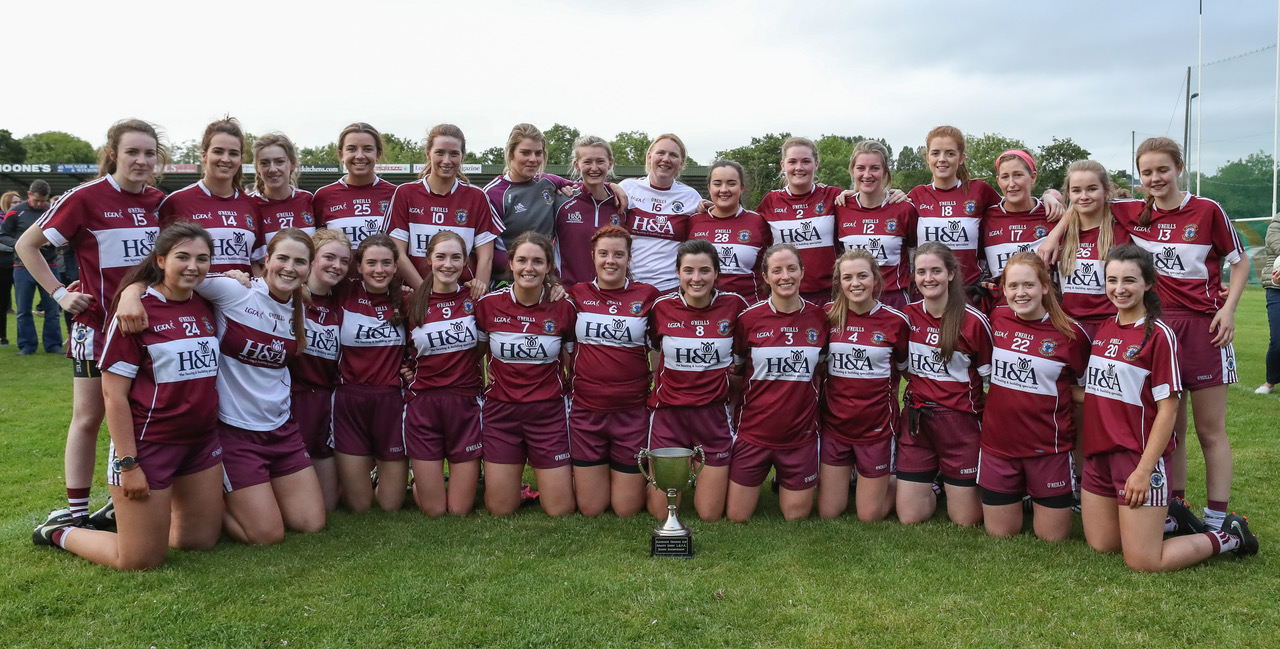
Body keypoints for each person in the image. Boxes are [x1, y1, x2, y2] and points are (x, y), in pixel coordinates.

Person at [1041, 137, 1247, 531]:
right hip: (1156, 324)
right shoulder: (1134, 211)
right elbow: (1082, 201)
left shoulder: (1207, 209)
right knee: (1172, 427)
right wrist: (1054, 232)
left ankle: (1218, 518)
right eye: (1147, 172)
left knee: (1210, 429)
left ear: (1179, 168)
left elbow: (1239, 262)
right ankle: (1175, 510)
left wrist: (1229, 308)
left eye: (1162, 169)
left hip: (1202, 326)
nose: (1155, 178)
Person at [32, 223, 224, 570]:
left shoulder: (206, 302)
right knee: (138, 560)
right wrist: (129, 464)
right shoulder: (135, 311)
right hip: (150, 445)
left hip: (200, 442)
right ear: (161, 260)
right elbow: (113, 395)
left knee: (199, 541)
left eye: (202, 259)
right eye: (182, 257)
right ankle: (60, 531)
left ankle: (140, 521)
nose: (193, 266)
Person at [116, 229, 326, 544]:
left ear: (308, 268)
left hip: (281, 427)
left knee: (311, 523)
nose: (289, 268)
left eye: (299, 262)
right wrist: (131, 293)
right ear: (266, 260)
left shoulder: (301, 306)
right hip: (234, 431)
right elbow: (177, 276)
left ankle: (233, 501)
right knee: (267, 535)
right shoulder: (234, 291)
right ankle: (210, 506)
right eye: (282, 258)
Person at [15, 119, 166, 526]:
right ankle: (76, 514)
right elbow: (27, 245)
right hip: (97, 326)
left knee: (142, 416)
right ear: (114, 154)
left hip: (147, 328)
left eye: (148, 153)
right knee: (88, 416)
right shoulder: (85, 197)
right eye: (132, 152)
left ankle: (122, 502)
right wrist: (59, 293)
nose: (141, 160)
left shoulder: (159, 202)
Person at [1080, 244, 1257, 571]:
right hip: (1099, 456)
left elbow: (1168, 412)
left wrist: (1144, 470)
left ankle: (1229, 536)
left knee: (1144, 560)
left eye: (1129, 280)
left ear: (1148, 284)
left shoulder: (1160, 335)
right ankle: (1172, 520)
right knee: (1103, 544)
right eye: (1112, 280)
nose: (1119, 289)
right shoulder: (1104, 328)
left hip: (1137, 457)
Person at [980, 253, 1089, 541]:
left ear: (1044, 286)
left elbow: (1086, 390)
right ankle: (1024, 494)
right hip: (998, 446)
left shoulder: (1071, 333)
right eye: (1013, 286)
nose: (1020, 293)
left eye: (1028, 285)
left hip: (1048, 449)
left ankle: (1039, 493)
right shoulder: (996, 318)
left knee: (1052, 537)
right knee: (1001, 533)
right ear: (1004, 290)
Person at [474, 232, 578, 516]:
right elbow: (474, 354)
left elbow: (574, 362)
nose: (528, 268)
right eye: (521, 260)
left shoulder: (563, 307)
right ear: (510, 263)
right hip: (501, 413)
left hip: (548, 414)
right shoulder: (488, 305)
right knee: (500, 508)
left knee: (559, 509)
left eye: (537, 261)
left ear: (549, 267)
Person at [647, 239, 750, 522]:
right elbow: (654, 348)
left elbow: (743, 355)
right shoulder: (661, 307)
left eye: (704, 270)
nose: (696, 278)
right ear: (678, 273)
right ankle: (655, 479)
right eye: (688, 270)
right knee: (660, 512)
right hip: (669, 414)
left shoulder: (735, 306)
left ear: (716, 273)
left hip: (712, 416)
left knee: (710, 513)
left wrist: (733, 383)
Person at [726, 244, 828, 522]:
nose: (785, 276)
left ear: (802, 272)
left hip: (800, 436)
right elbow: (737, 372)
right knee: (737, 516)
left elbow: (823, 371)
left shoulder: (820, 318)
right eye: (777, 270)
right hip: (753, 433)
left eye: (792, 269)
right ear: (766, 276)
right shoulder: (749, 319)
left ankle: (784, 478)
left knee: (796, 516)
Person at [909, 126, 1061, 304]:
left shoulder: (980, 191)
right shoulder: (916, 195)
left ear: (961, 158)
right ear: (927, 158)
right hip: (928, 291)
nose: (942, 159)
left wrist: (1048, 197)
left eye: (950, 153)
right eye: (936, 153)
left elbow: (1014, 204)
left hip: (969, 293)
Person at [897, 242, 993, 527]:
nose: (928, 278)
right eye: (921, 272)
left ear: (951, 274)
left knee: (966, 520)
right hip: (918, 421)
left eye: (936, 271)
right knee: (911, 517)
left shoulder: (974, 321)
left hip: (960, 423)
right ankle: (937, 484)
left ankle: (952, 481)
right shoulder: (907, 316)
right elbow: (905, 369)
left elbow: (992, 382)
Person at [567, 226, 659, 517]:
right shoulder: (576, 294)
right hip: (587, 412)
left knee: (626, 509)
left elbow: (660, 347)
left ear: (629, 258)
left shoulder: (648, 296)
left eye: (619, 254)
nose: (611, 261)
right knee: (592, 508)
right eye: (604, 254)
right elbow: (564, 347)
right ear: (593, 256)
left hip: (630, 413)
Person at [819, 248, 908, 521]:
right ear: (839, 282)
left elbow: (907, 372)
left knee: (869, 515)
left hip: (876, 428)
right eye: (847, 277)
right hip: (836, 426)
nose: (855, 283)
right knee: (828, 511)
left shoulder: (895, 321)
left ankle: (909, 484)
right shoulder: (826, 316)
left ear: (875, 279)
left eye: (862, 276)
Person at [403, 231, 484, 517]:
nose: (447, 264)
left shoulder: (476, 300)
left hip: (465, 403)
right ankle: (418, 481)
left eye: (455, 258)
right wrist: (403, 368)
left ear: (465, 262)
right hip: (423, 405)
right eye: (441, 257)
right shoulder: (410, 302)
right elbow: (392, 345)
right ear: (429, 259)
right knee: (434, 510)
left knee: (459, 510)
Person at [333, 234, 408, 513]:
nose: (379, 270)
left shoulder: (407, 300)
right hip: (349, 402)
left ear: (396, 266)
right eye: (371, 263)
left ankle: (382, 473)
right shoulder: (342, 293)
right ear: (359, 266)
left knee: (390, 506)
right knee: (359, 506)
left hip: (391, 402)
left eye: (386, 263)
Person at [388, 123, 500, 297]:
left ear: (462, 157)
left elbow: (486, 257)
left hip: (461, 298)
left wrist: (478, 294)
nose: (447, 161)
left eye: (454, 154)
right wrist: (426, 293)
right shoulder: (405, 193)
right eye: (440, 153)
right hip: (416, 295)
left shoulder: (477, 197)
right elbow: (398, 253)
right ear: (428, 154)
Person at [291, 228, 351, 511]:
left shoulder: (342, 302)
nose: (336, 266)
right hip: (292, 399)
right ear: (312, 258)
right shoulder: (288, 296)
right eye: (329, 257)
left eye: (344, 261)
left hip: (326, 400)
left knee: (327, 506)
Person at [157, 118, 260, 275]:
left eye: (233, 153)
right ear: (204, 156)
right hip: (192, 291)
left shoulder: (251, 205)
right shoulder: (176, 202)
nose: (225, 159)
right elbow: (161, 262)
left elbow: (255, 263)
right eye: (218, 151)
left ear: (240, 159)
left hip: (242, 291)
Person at [756, 137, 846, 304]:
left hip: (829, 296)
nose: (799, 167)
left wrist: (891, 194)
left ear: (816, 164)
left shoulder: (833, 196)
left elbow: (867, 203)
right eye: (792, 162)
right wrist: (712, 208)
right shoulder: (770, 201)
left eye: (806, 161)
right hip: (786, 295)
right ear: (783, 165)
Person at [482, 124, 576, 282]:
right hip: (507, 282)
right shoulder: (493, 194)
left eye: (538, 153)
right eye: (525, 153)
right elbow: (487, 252)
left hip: (545, 279)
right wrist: (527, 266)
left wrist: (613, 187)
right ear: (511, 153)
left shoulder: (548, 182)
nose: (533, 159)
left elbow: (586, 187)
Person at [835, 140, 918, 310]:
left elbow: (916, 250)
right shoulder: (840, 207)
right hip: (853, 298)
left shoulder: (904, 208)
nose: (867, 174)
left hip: (893, 298)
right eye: (861, 168)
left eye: (874, 168)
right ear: (852, 170)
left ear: (885, 171)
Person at [1052, 160, 1128, 340]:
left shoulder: (1124, 230)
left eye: (1092, 189)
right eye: (1076, 190)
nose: (1084, 196)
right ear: (1069, 193)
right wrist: (1048, 195)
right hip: (1069, 328)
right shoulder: (1058, 235)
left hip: (1112, 327)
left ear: (1106, 190)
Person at [621, 134, 703, 292]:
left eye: (673, 155)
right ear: (649, 157)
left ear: (681, 163)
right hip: (629, 286)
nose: (666, 159)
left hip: (671, 287)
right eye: (661, 153)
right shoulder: (627, 188)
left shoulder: (690, 196)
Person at [687, 160, 771, 302]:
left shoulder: (758, 222)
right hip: (705, 307)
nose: (724, 189)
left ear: (742, 188)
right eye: (717, 184)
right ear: (709, 188)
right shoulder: (693, 222)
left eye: (731, 183)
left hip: (749, 306)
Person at [313, 123, 398, 261]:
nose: (360, 156)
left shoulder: (396, 194)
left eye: (367, 149)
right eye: (352, 149)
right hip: (337, 275)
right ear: (341, 154)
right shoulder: (323, 196)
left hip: (382, 275)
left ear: (378, 154)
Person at [554, 136, 625, 288]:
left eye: (600, 161)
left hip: (610, 294)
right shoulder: (561, 202)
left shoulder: (622, 204)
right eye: (587, 162)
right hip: (568, 293)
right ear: (577, 165)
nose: (594, 168)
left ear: (610, 164)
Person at [3, 179, 59, 354]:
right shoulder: (15, 212)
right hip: (22, 266)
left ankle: (53, 345)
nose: (40, 204)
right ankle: (27, 346)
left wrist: (53, 241)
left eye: (43, 201)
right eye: (36, 200)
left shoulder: (53, 211)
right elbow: (3, 235)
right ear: (29, 195)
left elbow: (64, 232)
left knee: (52, 309)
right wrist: (23, 244)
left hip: (50, 264)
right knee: (23, 309)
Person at [981, 151, 1050, 289]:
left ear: (1033, 177)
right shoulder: (986, 218)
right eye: (1005, 177)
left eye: (1018, 175)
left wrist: (1050, 197)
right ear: (998, 181)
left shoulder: (1051, 214)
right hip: (1000, 302)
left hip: (1044, 302)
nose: (1011, 184)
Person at [251, 133, 316, 255]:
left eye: (279, 162)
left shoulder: (309, 200)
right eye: (264, 163)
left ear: (292, 164)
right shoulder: (249, 205)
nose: (272, 169)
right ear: (258, 168)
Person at [1257, 209, 1280, 394]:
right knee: (1278, 339)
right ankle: (1270, 382)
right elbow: (1276, 244)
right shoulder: (1277, 223)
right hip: (1276, 288)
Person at [0, 189, 18, 343]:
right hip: (4, 265)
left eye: (19, 202)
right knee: (3, 301)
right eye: (14, 202)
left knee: (22, 303)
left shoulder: (22, 220)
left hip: (21, 263)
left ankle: (25, 339)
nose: (18, 205)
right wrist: (20, 246)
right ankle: (2, 336)